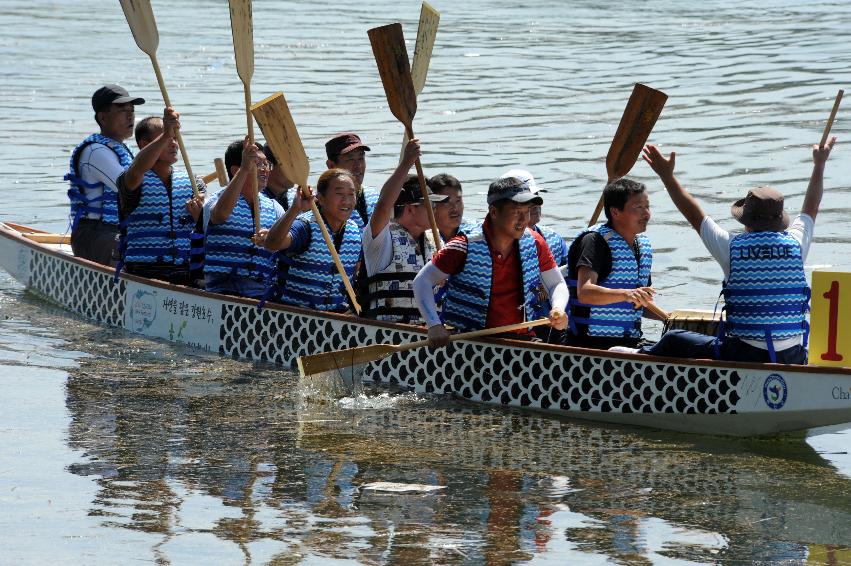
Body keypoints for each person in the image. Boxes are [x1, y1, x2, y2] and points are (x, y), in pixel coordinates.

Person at [635, 139, 837, 364]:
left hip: (744, 354)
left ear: (746, 222)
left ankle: (634, 360)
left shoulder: (731, 247)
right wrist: (820, 164)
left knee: (674, 339)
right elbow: (811, 207)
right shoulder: (796, 244)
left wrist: (667, 176)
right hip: (793, 355)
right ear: (779, 221)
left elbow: (694, 215)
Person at [413, 176, 568, 347]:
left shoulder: (535, 242)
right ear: (493, 212)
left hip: (522, 339)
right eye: (516, 212)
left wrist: (558, 308)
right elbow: (422, 281)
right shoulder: (463, 245)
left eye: (527, 212)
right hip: (469, 342)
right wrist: (434, 324)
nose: (524, 220)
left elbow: (556, 284)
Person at [564, 178, 658, 350]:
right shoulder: (594, 241)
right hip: (590, 346)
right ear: (615, 212)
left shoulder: (642, 246)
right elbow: (585, 292)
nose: (647, 214)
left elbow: (638, 304)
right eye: (638, 207)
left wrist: (668, 318)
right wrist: (627, 294)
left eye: (647, 206)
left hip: (628, 343)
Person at [361, 139, 449, 323]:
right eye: (430, 204)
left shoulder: (436, 240)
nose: (435, 209)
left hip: (430, 333)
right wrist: (406, 163)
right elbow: (384, 205)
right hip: (389, 331)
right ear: (410, 208)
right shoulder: (382, 238)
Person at [115, 108, 204, 285]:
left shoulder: (194, 182)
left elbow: (207, 228)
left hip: (186, 271)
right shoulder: (130, 179)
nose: (174, 143)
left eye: (175, 137)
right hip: (143, 272)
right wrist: (165, 135)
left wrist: (202, 217)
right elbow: (138, 167)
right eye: (166, 137)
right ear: (144, 144)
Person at [66, 84, 145, 265]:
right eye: (123, 110)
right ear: (103, 117)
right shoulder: (96, 152)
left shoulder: (121, 149)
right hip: (95, 234)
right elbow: (129, 187)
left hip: (115, 231)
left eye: (132, 110)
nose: (130, 115)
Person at [264, 169, 362, 312]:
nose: (346, 201)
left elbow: (356, 273)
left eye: (351, 194)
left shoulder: (355, 231)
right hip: (293, 315)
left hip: (336, 317)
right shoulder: (305, 226)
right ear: (320, 199)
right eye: (339, 194)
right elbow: (272, 244)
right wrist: (294, 209)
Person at [202, 138, 283, 298]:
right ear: (235, 170)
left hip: (262, 293)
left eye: (266, 164)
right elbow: (220, 215)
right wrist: (245, 169)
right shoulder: (214, 200)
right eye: (258, 164)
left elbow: (284, 246)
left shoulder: (275, 207)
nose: (265, 170)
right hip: (223, 291)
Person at [499, 169, 568, 266]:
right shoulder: (491, 244)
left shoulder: (554, 239)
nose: (535, 203)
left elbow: (571, 275)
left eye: (536, 195)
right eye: (525, 199)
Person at [325, 132, 380, 230]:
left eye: (361, 158)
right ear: (331, 166)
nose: (358, 166)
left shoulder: (376, 197)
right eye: (350, 159)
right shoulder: (320, 204)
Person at [428, 173, 478, 241]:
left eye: (458, 201)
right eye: (447, 202)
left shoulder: (476, 231)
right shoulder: (424, 237)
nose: (455, 208)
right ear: (432, 205)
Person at [262, 143, 295, 210]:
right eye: (290, 165)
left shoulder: (300, 197)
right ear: (268, 165)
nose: (296, 170)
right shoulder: (256, 202)